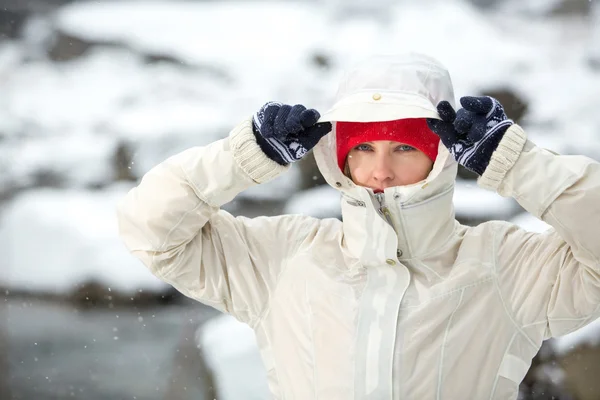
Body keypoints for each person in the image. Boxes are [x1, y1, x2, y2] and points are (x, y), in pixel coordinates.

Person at [116, 53, 600, 399]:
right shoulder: (284, 257)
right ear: (338, 154)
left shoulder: (505, 266)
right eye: (363, 148)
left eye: (404, 148)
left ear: (443, 154)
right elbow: (150, 230)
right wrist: (242, 158)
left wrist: (518, 164)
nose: (380, 171)